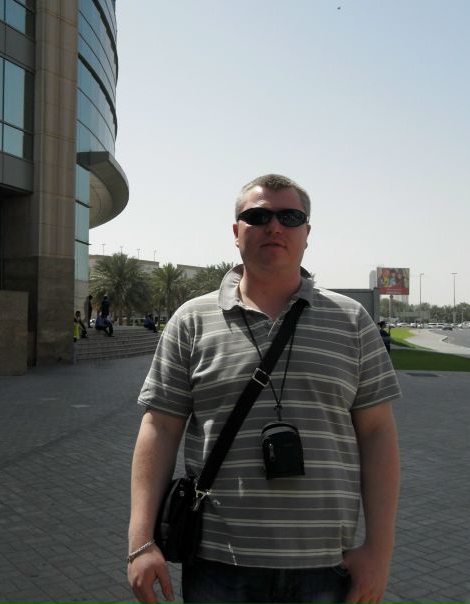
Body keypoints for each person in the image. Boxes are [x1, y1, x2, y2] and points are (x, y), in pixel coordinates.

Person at [128, 174, 401, 604]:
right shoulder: (191, 321)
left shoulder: (352, 321)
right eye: (257, 216)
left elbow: (378, 433)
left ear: (307, 233)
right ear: (236, 232)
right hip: (217, 563)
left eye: (289, 217)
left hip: (325, 564)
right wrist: (141, 541)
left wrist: (379, 551)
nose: (274, 227)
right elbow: (159, 428)